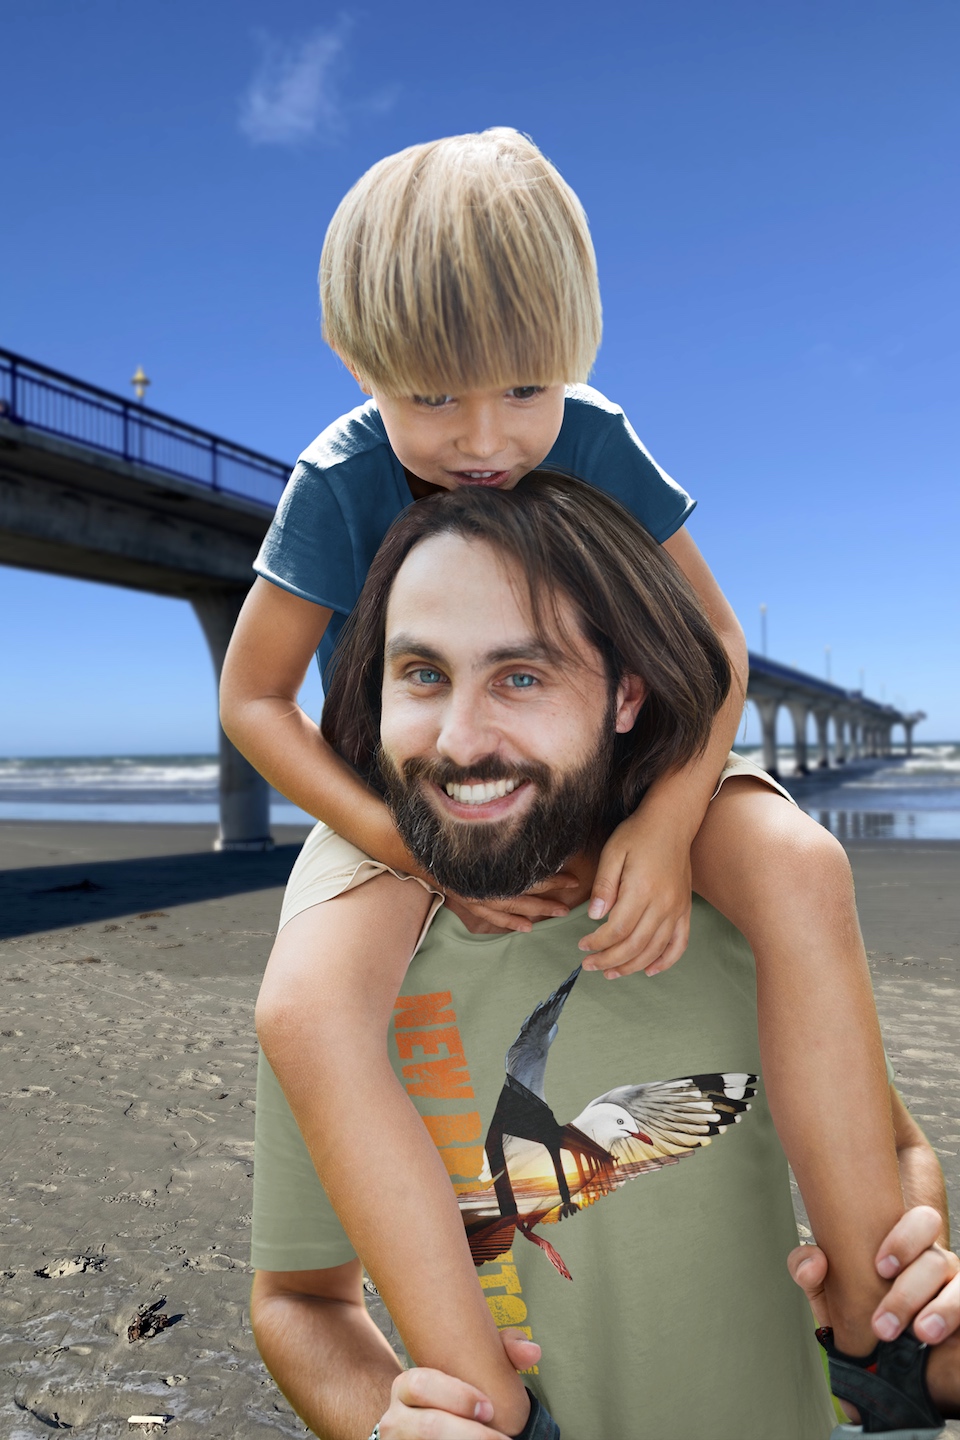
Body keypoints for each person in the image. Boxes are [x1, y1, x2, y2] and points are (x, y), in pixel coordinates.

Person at [222, 128, 916, 1429]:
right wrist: (408, 852)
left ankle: (884, 1321)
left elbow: (716, 645)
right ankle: (484, 1399)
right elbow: (254, 700)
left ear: (578, 356)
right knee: (306, 1010)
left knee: (798, 860)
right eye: (433, 399)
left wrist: (666, 818)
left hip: (621, 761)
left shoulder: (593, 436)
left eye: (525, 388)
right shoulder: (337, 480)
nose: (486, 440)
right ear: (359, 368)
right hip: (401, 794)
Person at [248, 475, 959, 1440]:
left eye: (522, 676)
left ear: (627, 694)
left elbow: (899, 1150)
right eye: (422, 674)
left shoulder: (739, 903)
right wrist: (387, 1424)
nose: (460, 740)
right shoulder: (346, 964)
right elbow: (299, 1301)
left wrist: (916, 1274)